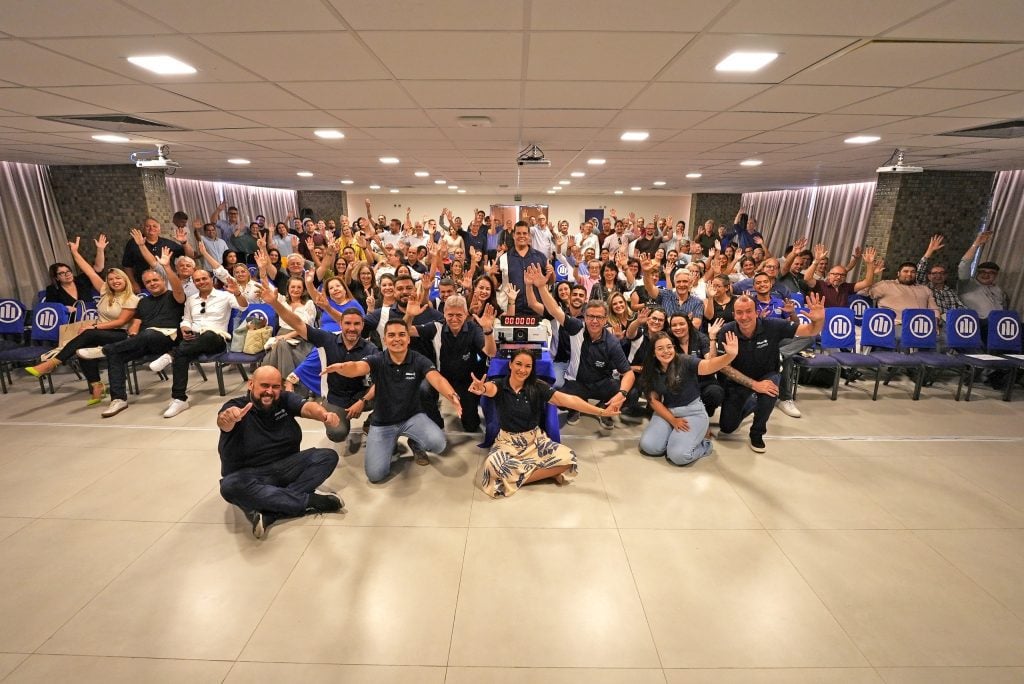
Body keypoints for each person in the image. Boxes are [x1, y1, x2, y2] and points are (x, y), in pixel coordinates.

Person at [322, 319, 462, 483]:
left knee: (438, 443)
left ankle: (414, 441)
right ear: (385, 339)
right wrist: (342, 368)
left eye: (402, 334)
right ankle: (390, 442)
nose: (397, 339)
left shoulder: (419, 360)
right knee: (375, 475)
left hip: (413, 417)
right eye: (392, 335)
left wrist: (451, 395)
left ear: (409, 338)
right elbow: (358, 367)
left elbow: (436, 379)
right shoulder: (377, 359)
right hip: (383, 423)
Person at [468, 350, 619, 498]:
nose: (522, 370)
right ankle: (542, 473)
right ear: (510, 365)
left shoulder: (538, 386)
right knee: (492, 467)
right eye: (518, 364)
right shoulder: (499, 385)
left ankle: (515, 478)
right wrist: (481, 388)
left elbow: (568, 400)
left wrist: (601, 412)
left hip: (535, 442)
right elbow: (488, 389)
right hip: (507, 442)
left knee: (569, 458)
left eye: (528, 366)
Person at [217, 366, 343, 539]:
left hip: (286, 466)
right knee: (229, 487)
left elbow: (307, 407)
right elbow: (224, 422)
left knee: (327, 456)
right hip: (250, 475)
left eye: (275, 387)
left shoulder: (283, 400)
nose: (269, 391)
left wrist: (324, 415)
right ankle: (308, 501)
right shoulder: (236, 406)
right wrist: (229, 418)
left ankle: (271, 511)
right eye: (264, 385)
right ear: (251, 384)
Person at [261, 276, 378, 447]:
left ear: (362, 326)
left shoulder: (371, 348)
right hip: (336, 398)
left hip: (361, 397)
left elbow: (380, 381)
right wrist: (275, 304)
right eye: (347, 323)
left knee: (391, 390)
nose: (352, 328)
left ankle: (372, 422)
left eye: (356, 324)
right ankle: (331, 409)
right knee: (337, 434)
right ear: (341, 324)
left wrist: (363, 401)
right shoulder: (327, 339)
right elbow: (298, 323)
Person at [76, 247, 186, 417]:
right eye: (148, 282)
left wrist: (167, 268)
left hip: (167, 339)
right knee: (117, 355)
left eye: (155, 280)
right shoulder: (143, 302)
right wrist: (133, 332)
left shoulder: (175, 296)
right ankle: (118, 399)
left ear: (163, 280)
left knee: (148, 334)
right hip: (144, 340)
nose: (152, 284)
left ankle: (103, 350)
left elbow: (178, 288)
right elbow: (136, 323)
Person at [27, 238, 138, 406]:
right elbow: (90, 271)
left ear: (125, 280)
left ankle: (52, 363)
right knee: (82, 349)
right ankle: (96, 386)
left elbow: (120, 322)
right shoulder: (105, 292)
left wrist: (94, 326)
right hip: (100, 332)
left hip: (120, 334)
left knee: (88, 333)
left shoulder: (132, 298)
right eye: (111, 279)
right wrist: (75, 252)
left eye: (118, 278)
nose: (115, 281)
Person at [527, 264, 634, 429]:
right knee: (558, 398)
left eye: (599, 317)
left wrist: (622, 394)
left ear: (606, 319)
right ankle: (575, 406)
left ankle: (604, 406)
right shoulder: (577, 327)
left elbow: (628, 373)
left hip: (602, 383)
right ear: (585, 316)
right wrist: (541, 287)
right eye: (591, 316)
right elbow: (555, 310)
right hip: (577, 382)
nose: (594, 321)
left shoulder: (611, 342)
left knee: (630, 395)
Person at [717, 293, 825, 453]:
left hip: (767, 374)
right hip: (739, 380)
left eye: (748, 311)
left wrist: (818, 320)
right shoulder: (727, 330)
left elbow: (809, 331)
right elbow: (724, 367)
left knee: (770, 390)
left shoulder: (773, 325)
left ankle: (757, 433)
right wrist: (754, 385)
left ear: (756, 312)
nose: (744, 316)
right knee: (727, 428)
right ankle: (752, 403)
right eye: (739, 312)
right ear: (734, 315)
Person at [638, 329, 739, 465]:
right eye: (660, 348)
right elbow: (653, 401)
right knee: (650, 447)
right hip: (668, 412)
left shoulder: (685, 361)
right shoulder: (651, 370)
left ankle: (704, 444)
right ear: (653, 353)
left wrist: (729, 356)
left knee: (678, 456)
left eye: (669, 347)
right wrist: (673, 420)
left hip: (693, 412)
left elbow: (709, 365)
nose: (666, 351)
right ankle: (676, 438)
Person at [404, 294, 496, 435]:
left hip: (467, 381)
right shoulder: (437, 326)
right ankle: (436, 423)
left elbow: (491, 353)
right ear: (444, 314)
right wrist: (409, 315)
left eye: (459, 315)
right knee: (423, 389)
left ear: (466, 314)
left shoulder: (474, 329)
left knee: (471, 426)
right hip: (441, 377)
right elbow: (405, 331)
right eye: (450, 314)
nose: (454, 319)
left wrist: (488, 331)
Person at [121, 217, 185, 292]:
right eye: (148, 226)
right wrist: (133, 283)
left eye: (154, 226)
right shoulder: (133, 243)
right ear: (143, 229)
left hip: (167, 284)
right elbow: (127, 265)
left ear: (159, 229)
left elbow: (189, 255)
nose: (151, 228)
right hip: (143, 285)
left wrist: (185, 242)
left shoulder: (168, 244)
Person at [958, 230, 1009, 324]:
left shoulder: (998, 290)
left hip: (1000, 324)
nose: (986, 275)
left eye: (991, 273)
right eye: (983, 272)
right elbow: (964, 265)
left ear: (996, 276)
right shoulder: (967, 283)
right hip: (976, 324)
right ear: (977, 272)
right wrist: (976, 244)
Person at [44, 233, 107, 310]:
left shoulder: (81, 280)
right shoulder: (53, 290)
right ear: (56, 278)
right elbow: (51, 309)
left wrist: (100, 250)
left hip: (90, 315)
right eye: (62, 273)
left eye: (68, 271)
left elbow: (98, 268)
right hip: (71, 320)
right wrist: (65, 308)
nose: (67, 274)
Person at [916, 234, 965, 317]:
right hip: (932, 322)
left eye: (941, 273)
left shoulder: (951, 292)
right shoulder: (923, 289)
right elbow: (919, 272)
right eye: (934, 273)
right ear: (929, 276)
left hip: (951, 323)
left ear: (946, 276)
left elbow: (961, 308)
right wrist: (929, 251)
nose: (938, 276)